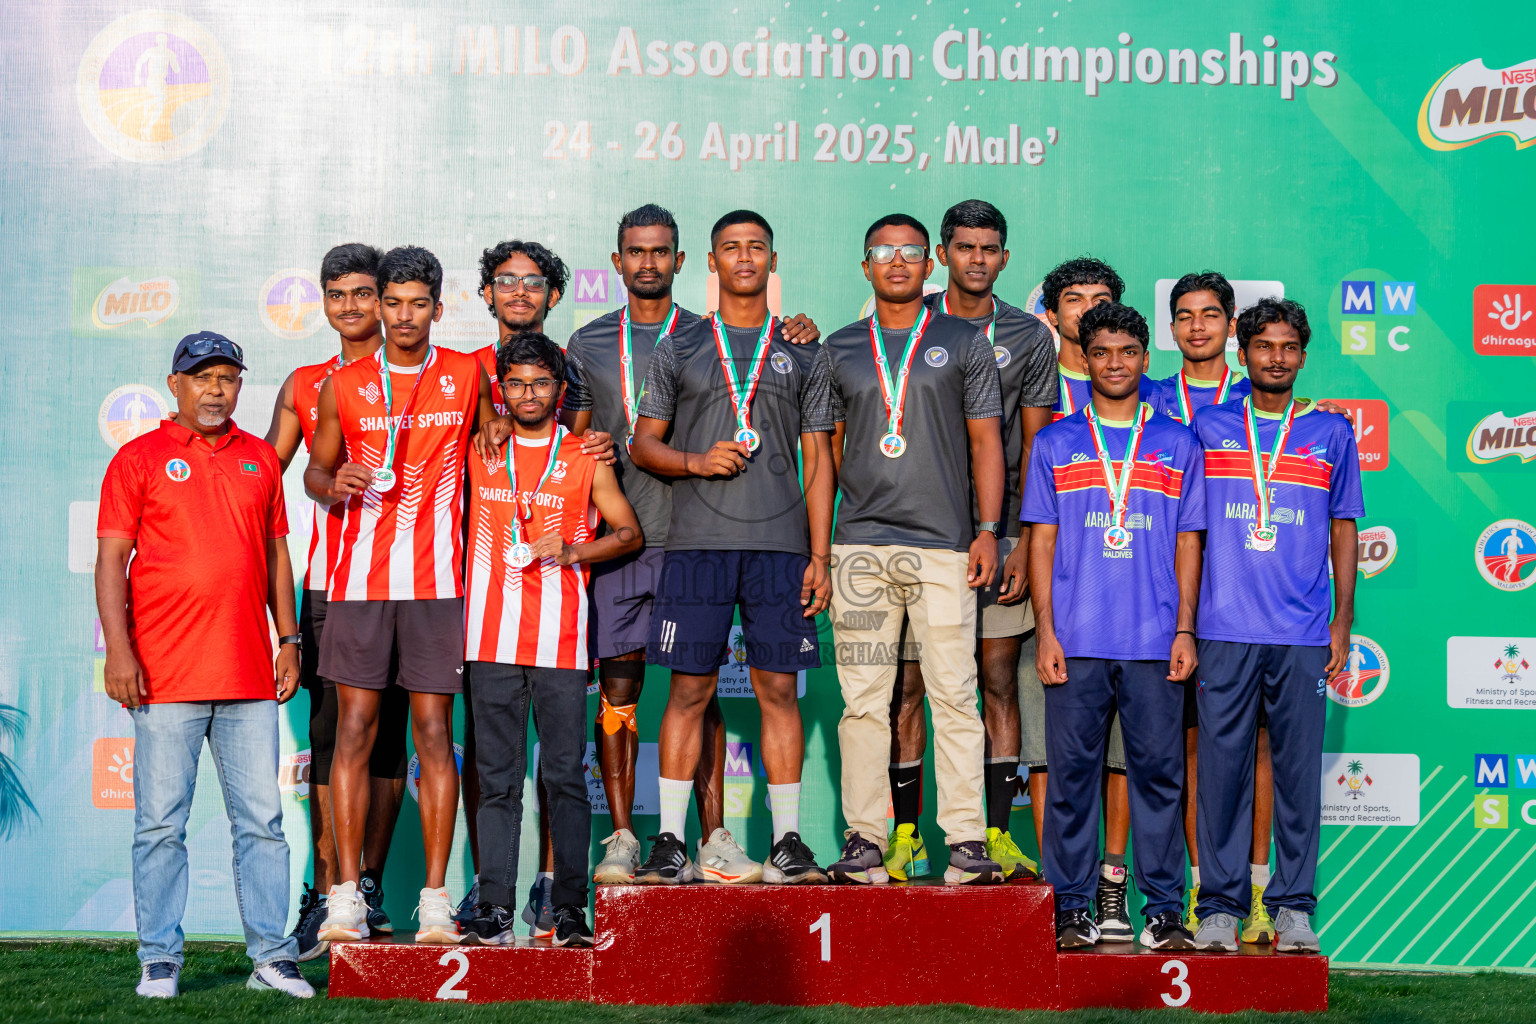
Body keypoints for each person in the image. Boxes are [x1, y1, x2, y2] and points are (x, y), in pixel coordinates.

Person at [96, 331, 313, 999]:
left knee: (263, 824)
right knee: (161, 823)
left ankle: (271, 958)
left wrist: (289, 640)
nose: (216, 390)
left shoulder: (258, 460)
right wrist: (120, 650)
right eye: (203, 378)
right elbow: (111, 561)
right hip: (162, 675)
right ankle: (159, 960)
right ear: (176, 385)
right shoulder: (138, 458)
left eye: (228, 378)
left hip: (249, 673)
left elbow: (277, 554)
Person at [305, 246, 509, 945]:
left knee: (432, 738)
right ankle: (344, 898)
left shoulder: (464, 375)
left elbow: (501, 433)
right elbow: (313, 471)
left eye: (417, 303)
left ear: (437, 308)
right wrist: (332, 483)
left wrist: (496, 425)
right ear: (379, 306)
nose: (402, 315)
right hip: (359, 584)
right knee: (355, 732)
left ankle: (432, 900)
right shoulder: (345, 384)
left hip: (438, 585)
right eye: (391, 302)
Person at [629, 209, 834, 885]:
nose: (744, 257)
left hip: (781, 548)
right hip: (697, 547)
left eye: (756, 248)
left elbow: (820, 458)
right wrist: (695, 462)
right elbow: (643, 445)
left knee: (780, 689)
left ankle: (787, 842)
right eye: (730, 248)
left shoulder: (804, 348)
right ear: (711, 262)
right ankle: (666, 841)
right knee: (688, 690)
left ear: (773, 261)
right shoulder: (680, 345)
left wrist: (821, 554)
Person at [818, 213, 1006, 886]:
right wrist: (828, 547)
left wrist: (988, 530)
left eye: (911, 252)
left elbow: (987, 441)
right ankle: (865, 840)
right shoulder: (837, 349)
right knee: (865, 701)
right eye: (883, 252)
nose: (898, 262)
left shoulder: (964, 343)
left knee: (954, 696)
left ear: (930, 265)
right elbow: (826, 453)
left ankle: (965, 842)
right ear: (864, 264)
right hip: (862, 553)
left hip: (944, 549)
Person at [1023, 302, 1205, 951]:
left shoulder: (1179, 443)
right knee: (1073, 784)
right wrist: (1046, 630)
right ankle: (1071, 908)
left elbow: (1190, 543)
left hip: (1155, 643)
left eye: (1128, 352)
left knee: (1160, 781)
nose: (1116, 363)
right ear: (1085, 357)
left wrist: (1184, 630)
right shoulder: (1056, 441)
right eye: (1102, 352)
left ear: (1145, 359)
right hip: (1075, 641)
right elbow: (1040, 543)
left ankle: (1161, 912)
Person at [884, 200, 1055, 883]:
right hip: (919, 534)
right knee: (908, 686)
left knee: (994, 684)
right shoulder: (905, 320)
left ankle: (993, 832)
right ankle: (905, 834)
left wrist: (1017, 540)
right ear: (943, 255)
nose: (977, 258)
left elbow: (1039, 446)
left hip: (998, 538)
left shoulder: (1028, 335)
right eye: (964, 246)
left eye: (990, 248)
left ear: (1004, 257)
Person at [459, 332, 644, 948]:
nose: (528, 394)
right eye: (516, 383)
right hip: (488, 640)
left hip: (561, 644)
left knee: (564, 777)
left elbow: (627, 533)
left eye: (540, 383)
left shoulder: (585, 454)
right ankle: (492, 906)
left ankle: (566, 908)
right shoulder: (478, 450)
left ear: (559, 391)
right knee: (497, 779)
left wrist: (571, 551)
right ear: (501, 391)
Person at [1190, 297, 1361, 954]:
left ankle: (1293, 908)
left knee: (1295, 775)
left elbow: (1344, 529)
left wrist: (1342, 621)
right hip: (1225, 628)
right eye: (1265, 346)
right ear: (1243, 352)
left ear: (1303, 356)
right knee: (1222, 775)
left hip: (1303, 632)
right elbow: (1191, 533)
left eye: (1289, 347)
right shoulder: (1210, 427)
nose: (1277, 358)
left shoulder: (1330, 434)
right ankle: (1220, 909)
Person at [263, 244, 408, 961]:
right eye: (336, 294)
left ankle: (369, 885)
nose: (350, 306)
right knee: (330, 742)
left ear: (386, 299)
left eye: (362, 293)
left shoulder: (428, 373)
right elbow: (260, 481)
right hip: (331, 587)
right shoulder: (305, 381)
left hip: (413, 588)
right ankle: (324, 890)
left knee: (389, 741)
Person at [1147, 271, 1274, 941]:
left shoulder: (1263, 401)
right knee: (1194, 751)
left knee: (1256, 751)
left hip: (1250, 599)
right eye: (1186, 316)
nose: (1198, 326)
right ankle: (1206, 896)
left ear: (1232, 326)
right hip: (1165, 598)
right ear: (1171, 329)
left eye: (1211, 315)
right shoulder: (1147, 398)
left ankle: (1257, 896)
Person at [1036, 256, 1145, 941]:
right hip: (1051, 597)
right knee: (1055, 756)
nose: (1085, 311)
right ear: (1053, 315)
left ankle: (1111, 884)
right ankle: (1059, 894)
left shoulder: (1149, 393)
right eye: (1073, 301)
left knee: (1124, 760)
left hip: (1133, 606)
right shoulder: (1033, 381)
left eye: (1100, 299)